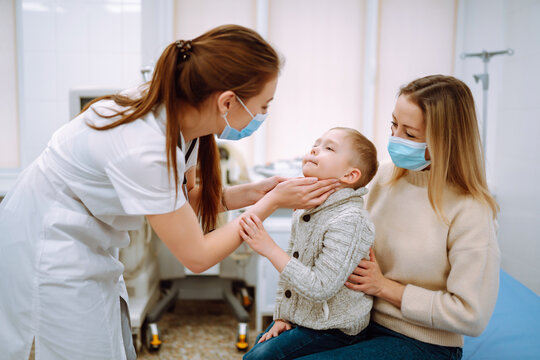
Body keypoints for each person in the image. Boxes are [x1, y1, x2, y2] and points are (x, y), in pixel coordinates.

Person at [0, 25, 340, 360]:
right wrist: (271, 203)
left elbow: (188, 202)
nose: (263, 116)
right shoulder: (146, 145)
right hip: (50, 243)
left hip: (86, 236)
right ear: (227, 102)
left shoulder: (184, 117)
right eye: (263, 106)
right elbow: (196, 256)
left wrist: (255, 192)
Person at [295, 75, 500, 360]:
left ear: (446, 140)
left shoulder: (471, 209)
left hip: (423, 341)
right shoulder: (379, 177)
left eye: (410, 134)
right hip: (355, 321)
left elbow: (471, 316)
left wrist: (384, 287)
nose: (395, 139)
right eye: (394, 125)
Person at [239, 127, 379, 360]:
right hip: (304, 319)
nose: (315, 149)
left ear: (350, 176)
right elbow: (292, 270)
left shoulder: (351, 220)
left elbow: (320, 287)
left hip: (336, 329)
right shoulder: (307, 209)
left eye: (329, 148)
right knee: (258, 348)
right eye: (316, 143)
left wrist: (269, 248)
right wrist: (282, 317)